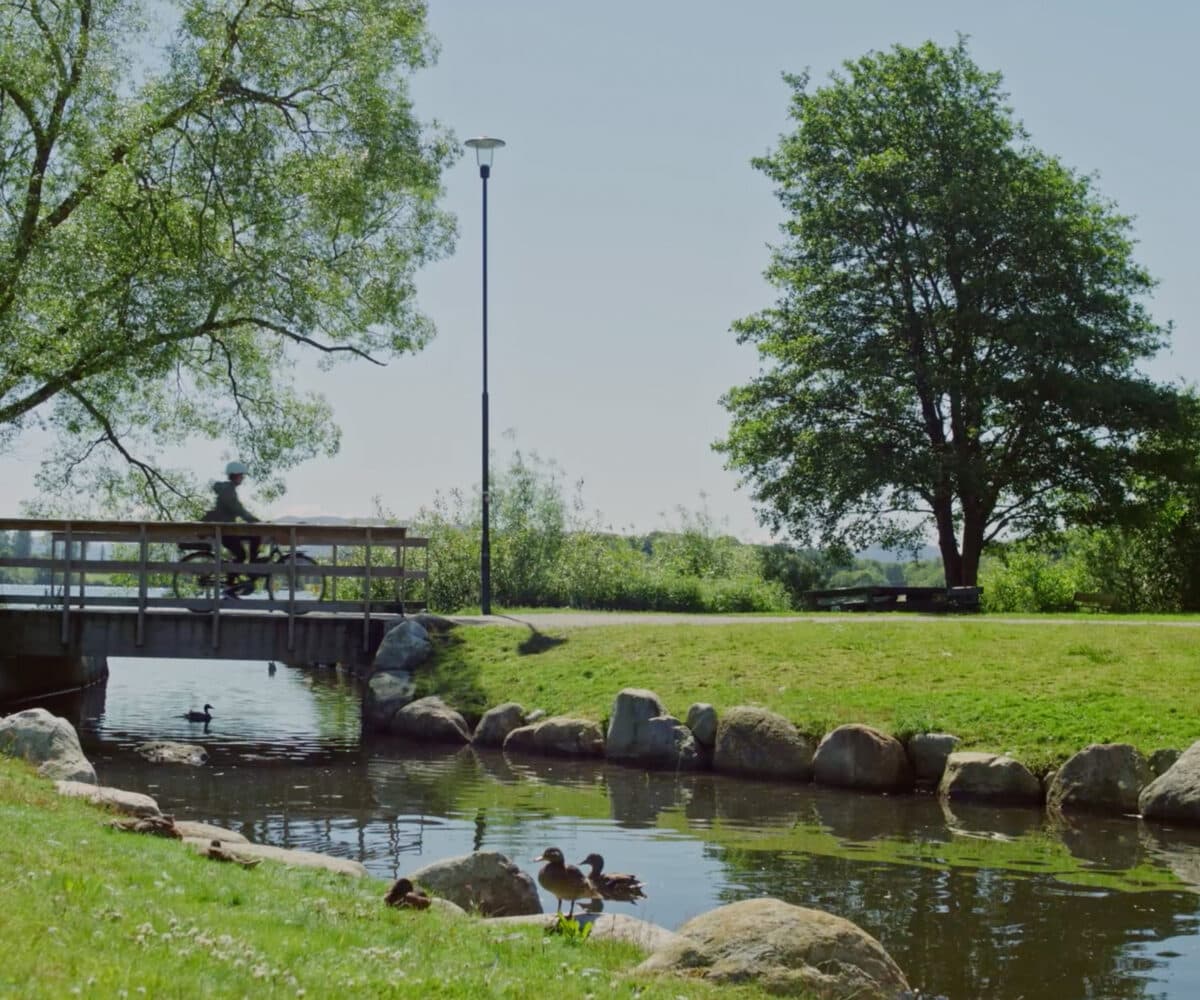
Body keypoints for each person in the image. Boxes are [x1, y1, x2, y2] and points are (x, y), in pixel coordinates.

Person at [202, 460, 263, 597]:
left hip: (227, 529)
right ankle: (230, 585)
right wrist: (254, 521)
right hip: (225, 531)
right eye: (241, 475)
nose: (243, 478)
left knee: (254, 537)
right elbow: (238, 509)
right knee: (241, 554)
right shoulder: (228, 491)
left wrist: (253, 520)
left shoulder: (228, 489)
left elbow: (238, 509)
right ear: (235, 475)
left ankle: (248, 569)